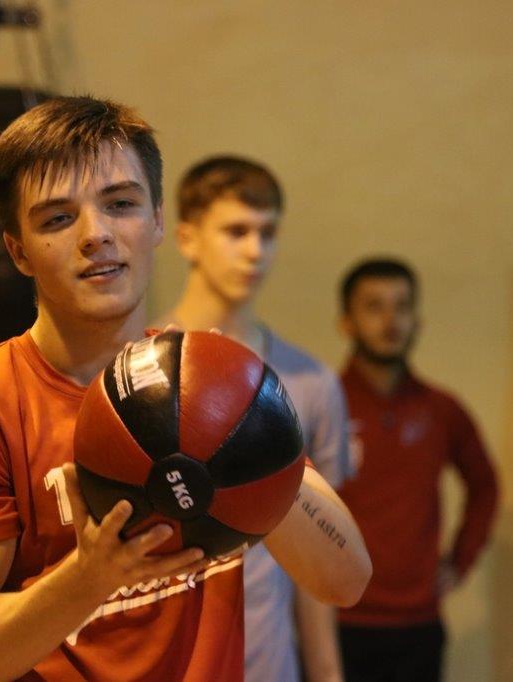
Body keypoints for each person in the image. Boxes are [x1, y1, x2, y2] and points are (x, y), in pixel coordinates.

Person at [0, 96, 372, 682]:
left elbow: (345, 580)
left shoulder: (216, 384)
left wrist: (249, 439)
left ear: (157, 221)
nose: (95, 234)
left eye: (120, 204)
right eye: (57, 218)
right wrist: (89, 578)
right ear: (18, 251)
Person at [158, 155, 353, 682]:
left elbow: (317, 563)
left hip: (267, 661)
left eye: (267, 233)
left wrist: (327, 672)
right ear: (187, 238)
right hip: (165, 659)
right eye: (235, 231)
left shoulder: (311, 382)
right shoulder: (138, 371)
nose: (254, 251)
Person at [336, 258, 499, 682]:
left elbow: (485, 486)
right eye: (374, 306)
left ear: (417, 321)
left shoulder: (441, 410)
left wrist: (460, 561)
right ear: (346, 323)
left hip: (417, 622)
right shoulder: (323, 403)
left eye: (402, 306)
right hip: (337, 619)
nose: (391, 320)